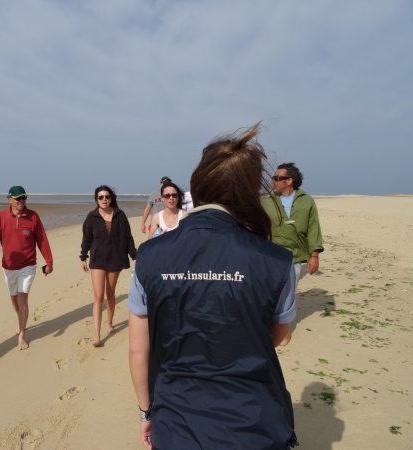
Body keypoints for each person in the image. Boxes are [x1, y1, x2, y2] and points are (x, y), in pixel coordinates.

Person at [128, 124, 298, 449]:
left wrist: (146, 412)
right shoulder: (276, 261)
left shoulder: (150, 257)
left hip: (176, 422)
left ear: (198, 184)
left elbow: (139, 349)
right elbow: (277, 336)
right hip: (254, 424)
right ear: (251, 191)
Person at [0, 186, 53, 350]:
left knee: (23, 297)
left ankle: (22, 334)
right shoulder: (0, 217)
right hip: (8, 266)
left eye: (23, 198)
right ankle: (21, 320)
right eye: (18, 198)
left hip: (28, 265)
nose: (21, 201)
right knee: (14, 297)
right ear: (9, 199)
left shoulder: (33, 217)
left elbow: (42, 240)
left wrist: (49, 262)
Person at [80, 185, 137, 347]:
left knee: (110, 294)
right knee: (98, 296)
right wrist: (83, 256)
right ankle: (96, 335)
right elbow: (87, 239)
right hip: (97, 260)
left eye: (107, 197)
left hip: (115, 259)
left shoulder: (120, 215)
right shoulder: (92, 217)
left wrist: (134, 255)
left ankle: (110, 322)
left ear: (111, 198)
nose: (104, 200)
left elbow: (128, 237)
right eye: (101, 197)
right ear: (96, 200)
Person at [262, 162, 324, 291]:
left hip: (296, 258)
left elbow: (313, 229)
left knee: (289, 295)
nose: (272, 181)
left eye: (276, 178)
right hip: (272, 258)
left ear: (289, 181)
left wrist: (314, 257)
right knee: (271, 294)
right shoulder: (266, 202)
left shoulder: (306, 201)